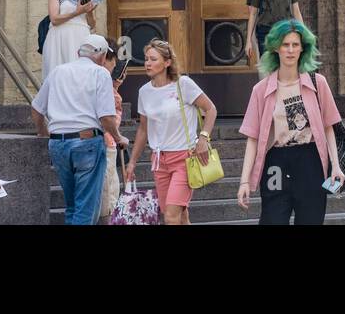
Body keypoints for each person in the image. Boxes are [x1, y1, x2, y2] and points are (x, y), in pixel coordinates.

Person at [236, 20, 345, 225]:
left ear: (303, 48)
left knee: (310, 220)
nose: (290, 50)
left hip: (309, 159)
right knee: (272, 219)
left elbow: (329, 127)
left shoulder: (317, 83)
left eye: (295, 45)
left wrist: (336, 166)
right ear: (276, 48)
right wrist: (244, 181)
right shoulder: (261, 90)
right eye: (285, 45)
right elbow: (252, 138)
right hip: (276, 162)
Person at [31, 33, 129, 224]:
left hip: (58, 143)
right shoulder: (100, 73)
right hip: (87, 142)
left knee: (73, 206)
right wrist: (119, 138)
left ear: (79, 52)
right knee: (85, 209)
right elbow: (107, 118)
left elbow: (36, 109)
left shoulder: (58, 71)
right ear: (101, 55)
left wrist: (43, 131)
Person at [125, 39, 218, 225]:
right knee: (180, 216)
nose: (147, 63)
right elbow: (143, 129)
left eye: (153, 59)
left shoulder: (183, 84)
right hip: (159, 161)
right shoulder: (144, 92)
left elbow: (210, 109)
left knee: (170, 216)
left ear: (167, 63)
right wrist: (132, 162)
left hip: (184, 158)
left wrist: (203, 138)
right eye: (146, 59)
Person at [41, 0, 97, 81]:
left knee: (80, 77)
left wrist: (89, 12)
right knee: (59, 77)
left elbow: (92, 25)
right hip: (60, 38)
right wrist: (77, 12)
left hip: (81, 38)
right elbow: (54, 19)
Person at [98, 39, 126, 223]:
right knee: (108, 195)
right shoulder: (101, 80)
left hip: (97, 142)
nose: (115, 65)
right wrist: (118, 137)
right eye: (113, 60)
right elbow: (108, 118)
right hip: (106, 142)